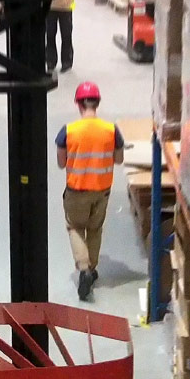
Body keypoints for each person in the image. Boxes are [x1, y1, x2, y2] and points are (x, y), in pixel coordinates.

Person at [55, 82, 122, 300]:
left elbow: (61, 163)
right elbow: (119, 159)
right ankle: (92, 270)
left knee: (74, 226)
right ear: (98, 103)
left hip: (76, 191)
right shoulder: (112, 130)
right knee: (95, 229)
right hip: (101, 190)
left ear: (78, 104)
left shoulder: (68, 131)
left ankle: (83, 269)